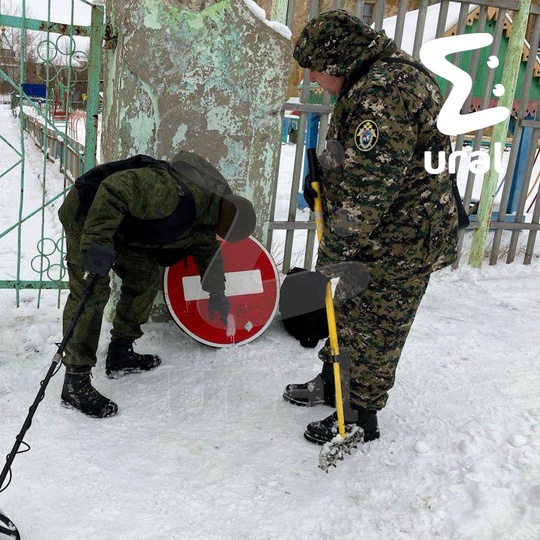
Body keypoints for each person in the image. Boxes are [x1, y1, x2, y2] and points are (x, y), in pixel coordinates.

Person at [283, 10, 459, 444]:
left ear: (338, 61)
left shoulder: (384, 90)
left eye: (317, 72)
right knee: (345, 308)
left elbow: (368, 192)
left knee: (378, 323)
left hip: (405, 237)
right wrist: (323, 174)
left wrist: (334, 251)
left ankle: (360, 413)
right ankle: (333, 383)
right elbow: (356, 157)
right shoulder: (372, 78)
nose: (316, 82)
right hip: (382, 227)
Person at [59, 152, 256, 419]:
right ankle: (76, 380)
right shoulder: (171, 193)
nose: (219, 237)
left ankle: (121, 352)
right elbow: (114, 190)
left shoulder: (206, 218)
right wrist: (98, 249)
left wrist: (217, 293)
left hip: (122, 227)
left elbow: (208, 254)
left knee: (144, 276)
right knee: (91, 289)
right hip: (89, 213)